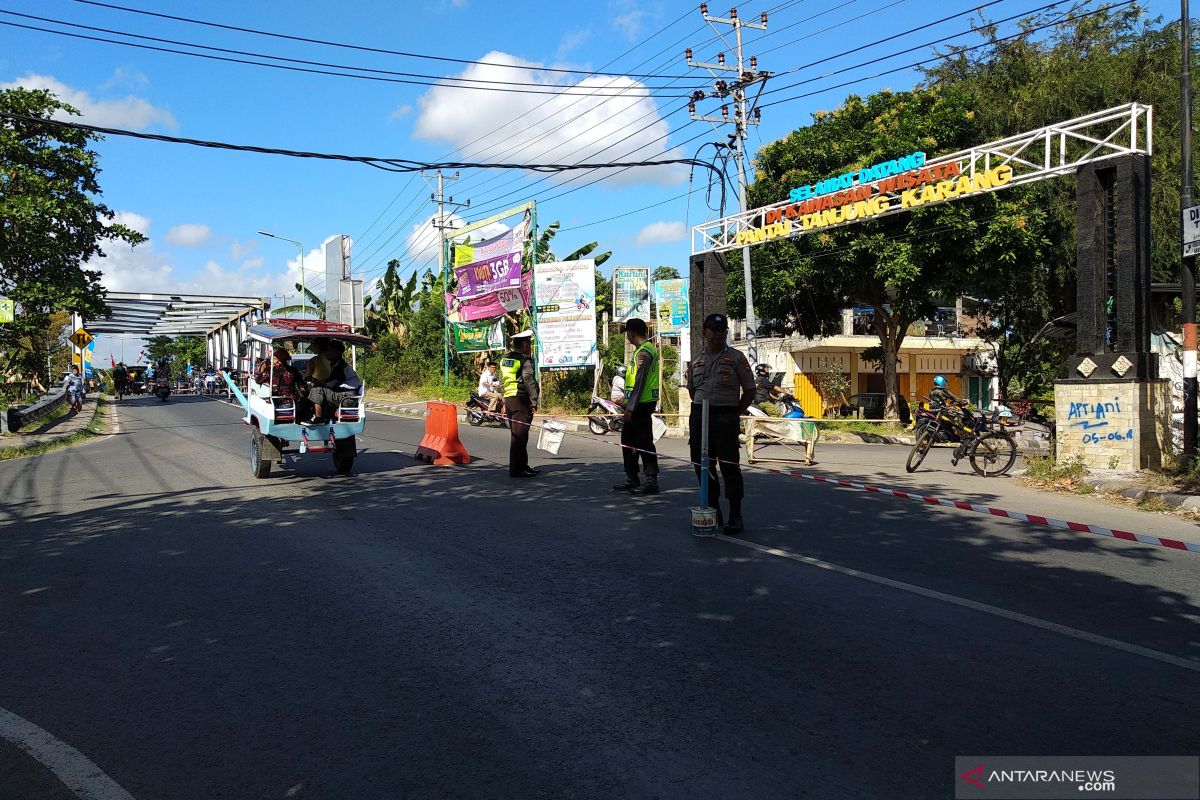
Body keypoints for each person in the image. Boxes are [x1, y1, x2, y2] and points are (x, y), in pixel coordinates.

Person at [687, 313, 755, 535]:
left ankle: (736, 515)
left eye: (722, 330)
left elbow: (750, 390)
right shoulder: (696, 359)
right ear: (704, 332)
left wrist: (735, 412)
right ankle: (713, 511)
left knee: (729, 466)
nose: (719, 334)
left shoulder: (736, 358)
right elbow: (691, 390)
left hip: (726, 416)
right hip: (700, 414)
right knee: (701, 463)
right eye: (714, 330)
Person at [613, 318, 661, 494]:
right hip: (636, 403)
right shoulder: (641, 351)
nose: (627, 337)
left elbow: (639, 383)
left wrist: (630, 409)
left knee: (644, 442)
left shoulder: (644, 353)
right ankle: (632, 477)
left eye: (627, 333)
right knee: (628, 440)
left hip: (641, 404)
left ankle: (651, 480)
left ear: (631, 333)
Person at [500, 329, 540, 478]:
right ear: (524, 345)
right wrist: (534, 401)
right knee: (519, 436)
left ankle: (523, 465)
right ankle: (517, 469)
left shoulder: (505, 359)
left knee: (519, 434)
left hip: (509, 399)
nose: (529, 346)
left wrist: (504, 400)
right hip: (521, 400)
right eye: (528, 344)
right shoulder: (524, 360)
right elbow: (529, 381)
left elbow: (503, 380)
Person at [306, 341, 361, 424]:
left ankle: (318, 417)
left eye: (329, 350)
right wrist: (316, 381)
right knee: (317, 387)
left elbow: (330, 385)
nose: (326, 352)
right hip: (344, 395)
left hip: (347, 398)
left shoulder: (341, 367)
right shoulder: (336, 364)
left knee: (317, 389)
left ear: (337, 353)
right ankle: (324, 415)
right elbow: (329, 381)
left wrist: (316, 382)